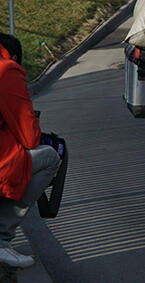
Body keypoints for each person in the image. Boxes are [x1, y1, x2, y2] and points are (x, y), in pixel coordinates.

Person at [0, 33, 59, 268]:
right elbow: (29, 137)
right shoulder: (7, 70)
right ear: (14, 56)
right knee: (50, 157)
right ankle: (1, 239)